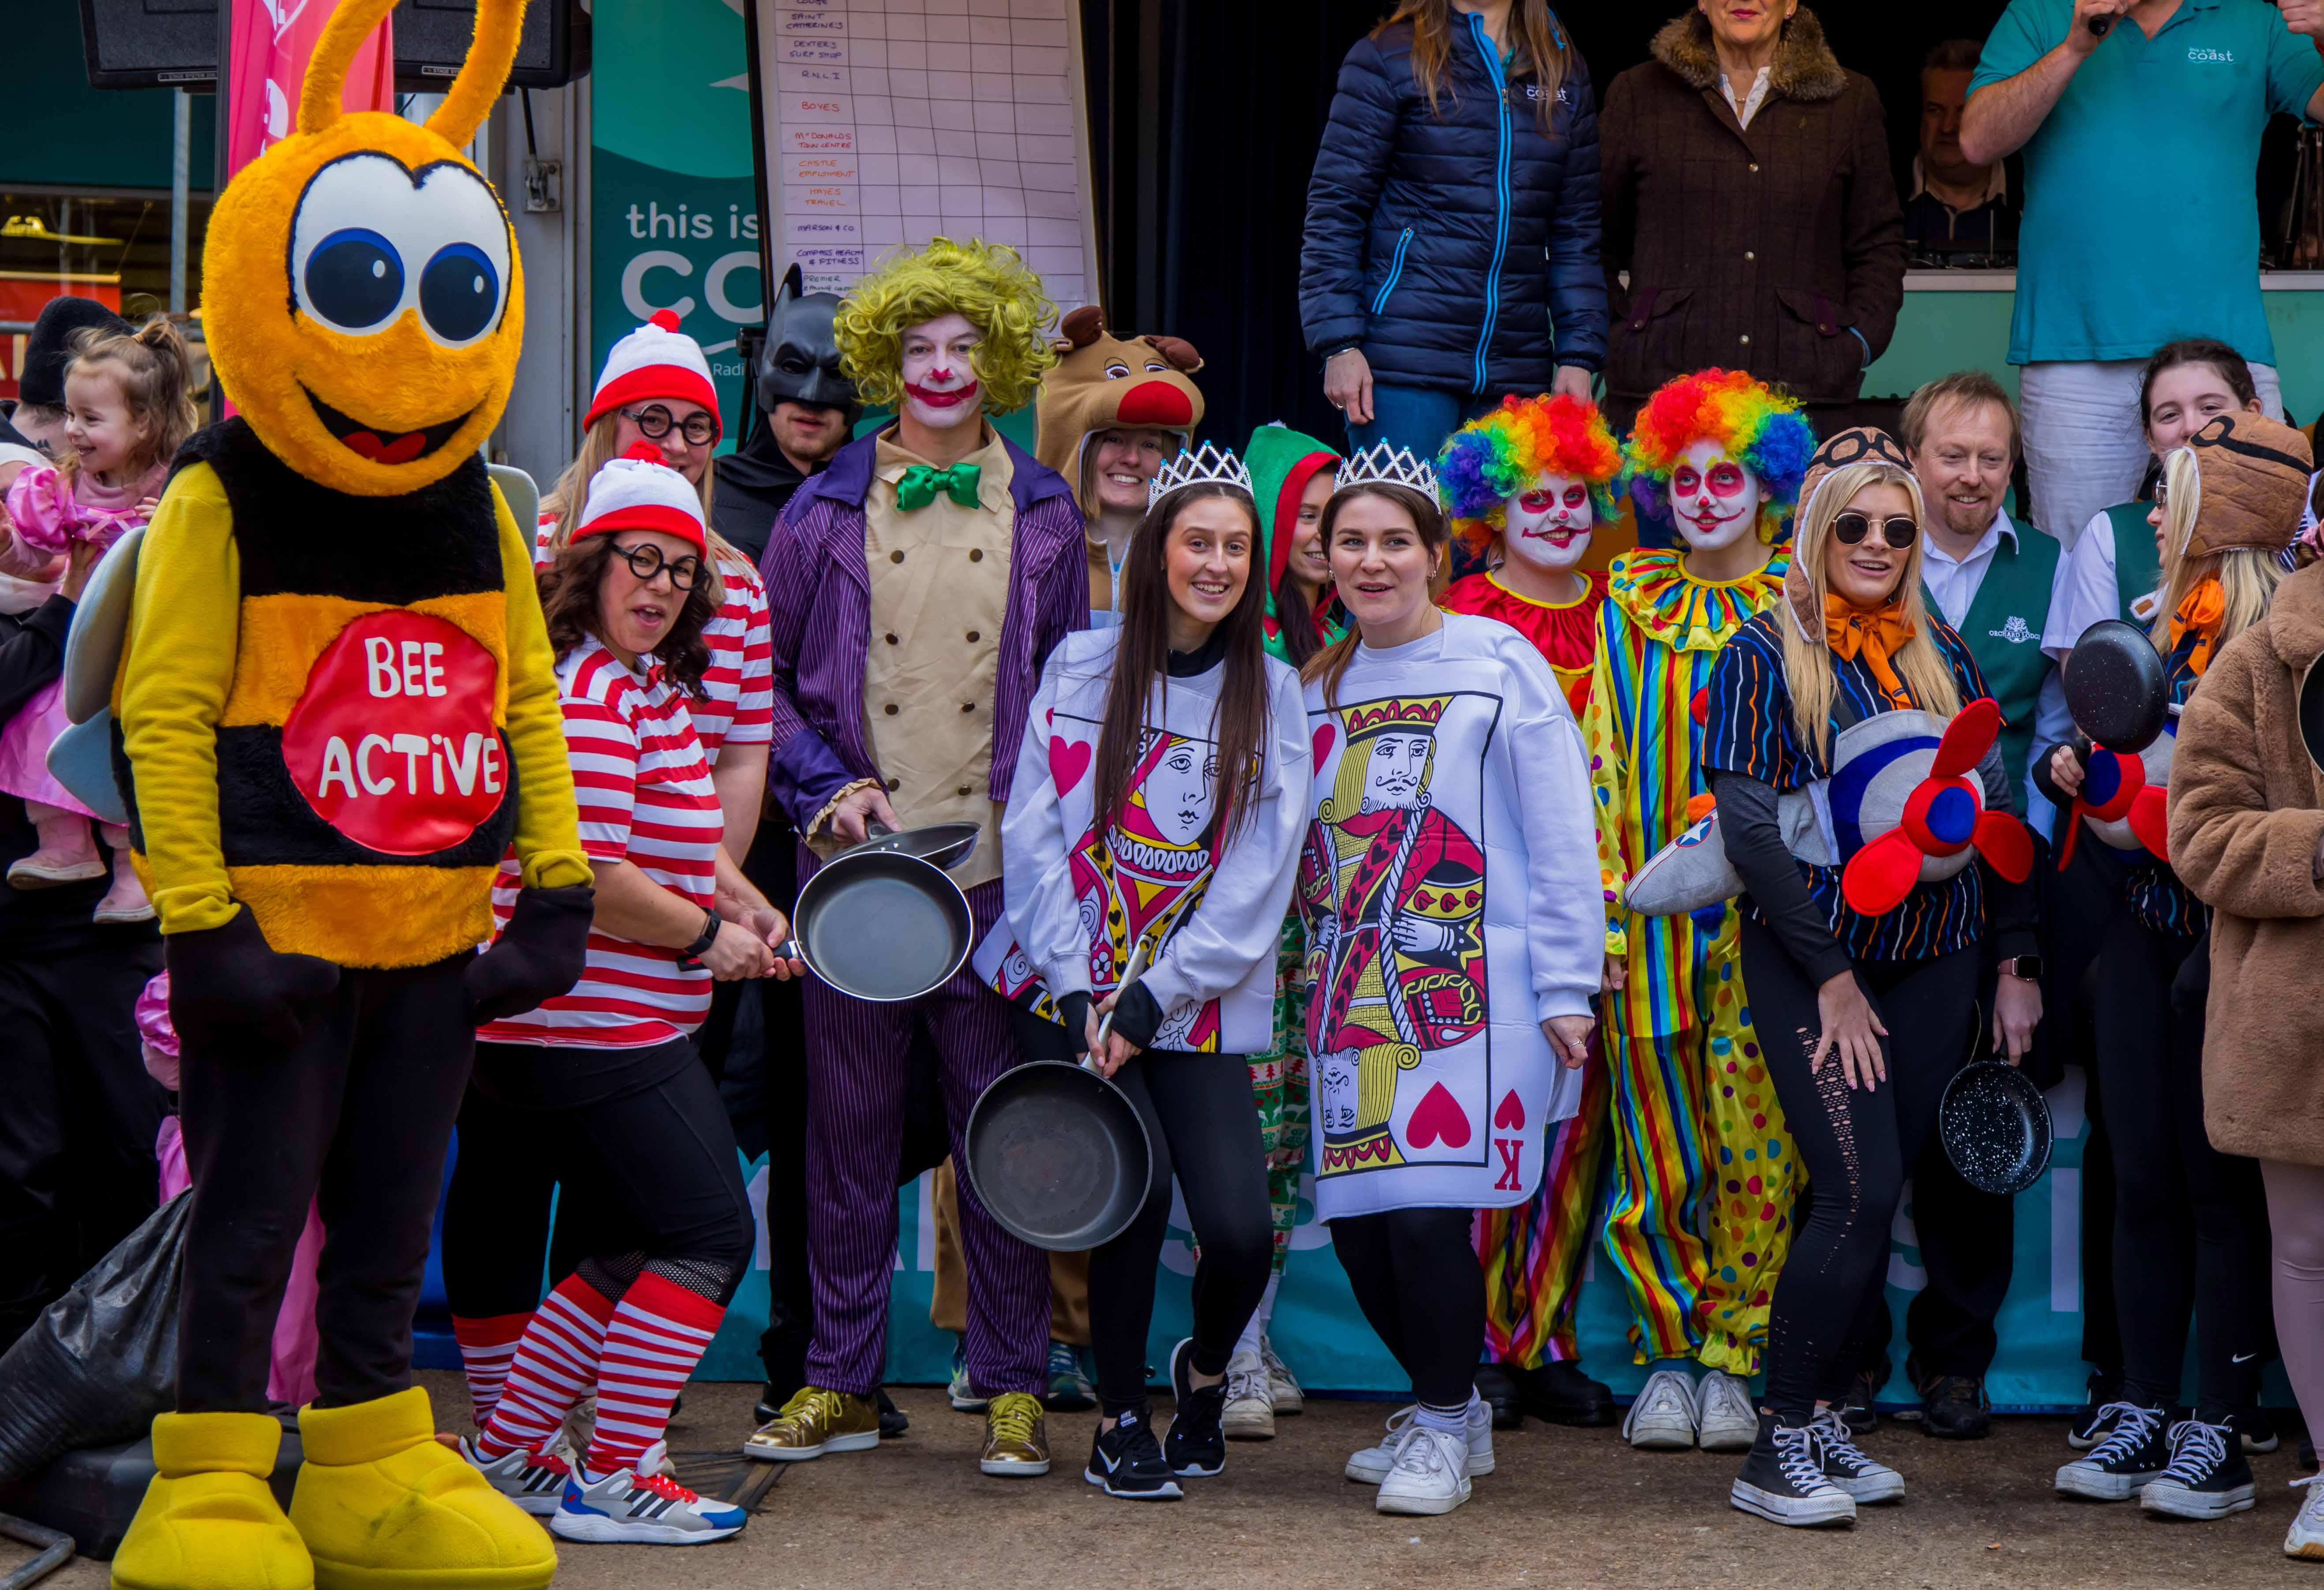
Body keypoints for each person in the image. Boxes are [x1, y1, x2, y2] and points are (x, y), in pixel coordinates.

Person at [109, 7, 586, 1584]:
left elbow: (522, 688)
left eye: (452, 296)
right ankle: (215, 1471)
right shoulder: (222, 493)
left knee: (391, 1226)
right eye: (370, 290)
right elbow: (163, 712)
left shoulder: (473, 502)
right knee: (252, 1225)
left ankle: (370, 1462)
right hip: (278, 934)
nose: (411, 347)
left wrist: (559, 882)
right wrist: (205, 919)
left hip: (433, 934)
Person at [743, 237, 1081, 1478]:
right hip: (859, 885)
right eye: (919, 347)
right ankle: (835, 1374)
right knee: (844, 1135)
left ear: (993, 361)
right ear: (888, 362)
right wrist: (826, 787)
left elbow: (1072, 702)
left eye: (964, 347)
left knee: (996, 1133)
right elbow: (756, 689)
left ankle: (1008, 1383)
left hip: (992, 883)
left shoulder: (1043, 509)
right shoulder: (821, 504)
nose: (941, 368)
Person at [450, 448, 799, 1546]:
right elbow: (590, 879)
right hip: (589, 1021)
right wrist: (706, 939)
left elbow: (670, 847)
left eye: (679, 571)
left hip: (607, 1019)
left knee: (624, 1243)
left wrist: (740, 908)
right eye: (638, 562)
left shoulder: (640, 689)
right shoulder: (591, 694)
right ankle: (614, 1472)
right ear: (590, 567)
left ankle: (509, 1447)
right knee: (702, 1232)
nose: (658, 586)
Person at [1701, 428, 2037, 1526]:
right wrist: (1833, 977)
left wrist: (2003, 961)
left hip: (1935, 956)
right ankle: (1777, 1440)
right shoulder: (1759, 652)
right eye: (1853, 523)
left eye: (1896, 528)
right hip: (1812, 960)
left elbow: (1988, 809)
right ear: (1811, 531)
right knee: (1851, 1194)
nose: (1878, 543)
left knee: (1883, 1185)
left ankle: (1819, 1429)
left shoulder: (1938, 649)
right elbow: (1749, 839)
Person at [984, 450, 1306, 1499]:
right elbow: (1033, 837)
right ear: (1156, 551)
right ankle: (1118, 1420)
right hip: (1066, 987)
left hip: (1190, 999)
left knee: (1238, 1231)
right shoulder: (1081, 667)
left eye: (1233, 547)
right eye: (1196, 541)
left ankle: (1203, 1377)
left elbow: (1261, 876)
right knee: (1134, 1187)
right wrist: (1082, 994)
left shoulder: (1277, 694)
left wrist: (1150, 994)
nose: (1214, 563)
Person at [1298, 443, 1602, 1516]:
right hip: (1347, 994)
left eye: (1394, 542)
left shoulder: (1497, 659)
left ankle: (1436, 1420)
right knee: (1357, 1228)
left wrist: (1567, 986)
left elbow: (1562, 822)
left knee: (1428, 1215)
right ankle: (1455, 1402)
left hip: (1480, 988)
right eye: (1351, 543)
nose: (1371, 563)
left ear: (1434, 554)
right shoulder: (1313, 685)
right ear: (1323, 560)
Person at [2038, 414, 2305, 1520]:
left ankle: (2219, 1427)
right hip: (2141, 929)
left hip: (2236, 947)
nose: (2150, 511)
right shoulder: (2146, 629)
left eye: (2171, 492)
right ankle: (2142, 1400)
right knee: (2137, 1170)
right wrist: (2083, 780)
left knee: (2220, 1191)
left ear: (2222, 512)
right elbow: (2126, 800)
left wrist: (2142, 807)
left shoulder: (2277, 643)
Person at [1587, 369, 1812, 1453]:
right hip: (1644, 931)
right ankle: (1667, 1355)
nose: (1706, 495)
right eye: (1684, 477)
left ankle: (1735, 1353)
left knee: (1757, 1152)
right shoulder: (1622, 603)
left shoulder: (1800, 604)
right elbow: (1589, 766)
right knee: (1656, 1153)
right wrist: (1595, 909)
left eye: (1728, 475)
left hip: (1764, 930)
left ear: (1765, 485)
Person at [1961, 0, 2324, 542]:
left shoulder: (2251, 17)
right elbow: (1977, 141)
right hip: (2074, 349)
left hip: (2224, 351)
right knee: (2076, 556)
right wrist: (2075, 46)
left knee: (2254, 551)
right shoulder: (2041, 12)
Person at [1437, 393, 1620, 1429]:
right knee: (1486, 1129)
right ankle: (1473, 1343)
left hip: (1601, 921)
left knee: (1572, 1140)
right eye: (1529, 499)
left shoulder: (1623, 610)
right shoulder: (1462, 618)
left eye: (1572, 497)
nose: (1554, 515)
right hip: (1484, 916)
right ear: (1488, 515)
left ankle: (1541, 1338)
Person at [1894, 371, 2064, 1439]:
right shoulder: (1863, 551)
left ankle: (1955, 1365)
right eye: (1948, 454)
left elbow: (2049, 744)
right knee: (1857, 1133)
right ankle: (1838, 1364)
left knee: (1972, 1120)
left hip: (1996, 880)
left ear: (2011, 469)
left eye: (1987, 457)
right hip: (1863, 894)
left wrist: (2018, 946)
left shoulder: (2045, 571)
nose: (1967, 475)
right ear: (1910, 458)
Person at [2167, 520, 2324, 1563]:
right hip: (2291, 1015)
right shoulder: (2257, 655)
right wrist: (2315, 853)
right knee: (2305, 1249)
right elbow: (2197, 829)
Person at [1299, 0, 1605, 466]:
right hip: (1403, 361)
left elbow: (1576, 233)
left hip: (1515, 368)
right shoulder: (1388, 54)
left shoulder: (1562, 68)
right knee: (1405, 534)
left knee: (1492, 541)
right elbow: (1334, 209)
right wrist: (1338, 342)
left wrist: (1577, 355)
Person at [0, 528, 162, 1361]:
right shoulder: (41, 607)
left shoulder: (129, 568)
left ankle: (114, 1363)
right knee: (21, 1169)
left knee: (130, 1150)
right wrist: (66, 601)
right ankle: (20, 1368)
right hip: (13, 943)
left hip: (117, 931)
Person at [1598, 4, 1905, 444]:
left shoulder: (1850, 101)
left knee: (1796, 518)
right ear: (1702, 1)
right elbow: (1591, 235)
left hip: (1803, 398)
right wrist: (1615, 333)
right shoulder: (1638, 93)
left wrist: (1856, 341)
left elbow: (1879, 243)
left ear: (1791, 4)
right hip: (1662, 394)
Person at [1214, 419, 1345, 1438]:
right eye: (1299, 509)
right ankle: (1234, 1353)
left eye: (1329, 513)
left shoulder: (1347, 634)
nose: (1316, 531)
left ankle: (1253, 1331)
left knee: (1291, 1141)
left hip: (1328, 933)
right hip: (1244, 933)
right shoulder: (1233, 639)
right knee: (1244, 1148)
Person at [0, 318, 194, 923]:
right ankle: (65, 845)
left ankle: (135, 870)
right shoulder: (61, 486)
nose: (71, 431)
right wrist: (11, 548)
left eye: (90, 418)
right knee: (38, 725)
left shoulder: (179, 487)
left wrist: (171, 521)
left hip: (145, 643)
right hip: (80, 641)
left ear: (143, 423)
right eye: (70, 415)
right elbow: (38, 553)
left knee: (132, 738)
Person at [1033, 305, 1206, 623]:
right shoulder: (1029, 549)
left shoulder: (1189, 560)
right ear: (1079, 446)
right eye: (1113, 440)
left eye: (1150, 445)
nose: (1131, 459)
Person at [713, 263, 861, 562]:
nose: (811, 398)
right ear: (763, 367)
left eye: (839, 373)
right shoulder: (707, 492)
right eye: (793, 368)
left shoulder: (884, 496)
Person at [1902, 40, 2018, 262]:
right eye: (1935, 110)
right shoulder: (1880, 198)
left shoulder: (2032, 199)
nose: (1947, 127)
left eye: (1963, 111)